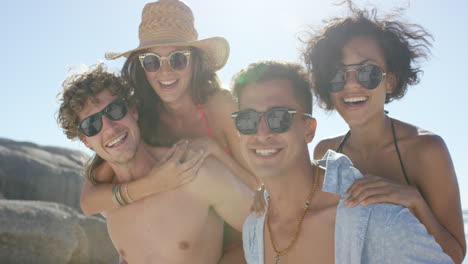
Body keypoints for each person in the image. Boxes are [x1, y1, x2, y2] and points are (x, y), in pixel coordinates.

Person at [80, 0, 258, 262]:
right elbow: (90, 200)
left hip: (241, 245)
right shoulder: (141, 116)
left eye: (177, 59)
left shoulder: (221, 106)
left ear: (195, 61)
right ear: (142, 66)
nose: (165, 71)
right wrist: (154, 184)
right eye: (152, 61)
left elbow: (259, 185)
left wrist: (214, 150)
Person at [232, 60, 452, 263]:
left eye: (278, 117)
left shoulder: (378, 221)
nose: (261, 133)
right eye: (247, 119)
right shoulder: (254, 229)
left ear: (308, 129)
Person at [302, 6, 465, 263]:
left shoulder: (426, 150)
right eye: (337, 74)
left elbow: (455, 255)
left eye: (368, 72)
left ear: (390, 81)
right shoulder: (326, 153)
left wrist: (414, 201)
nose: (352, 83)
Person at [56, 63, 252, 264]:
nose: (109, 128)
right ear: (86, 141)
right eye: (92, 124)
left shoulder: (193, 170)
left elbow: (269, 231)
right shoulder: (106, 198)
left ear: (133, 111)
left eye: (115, 110)